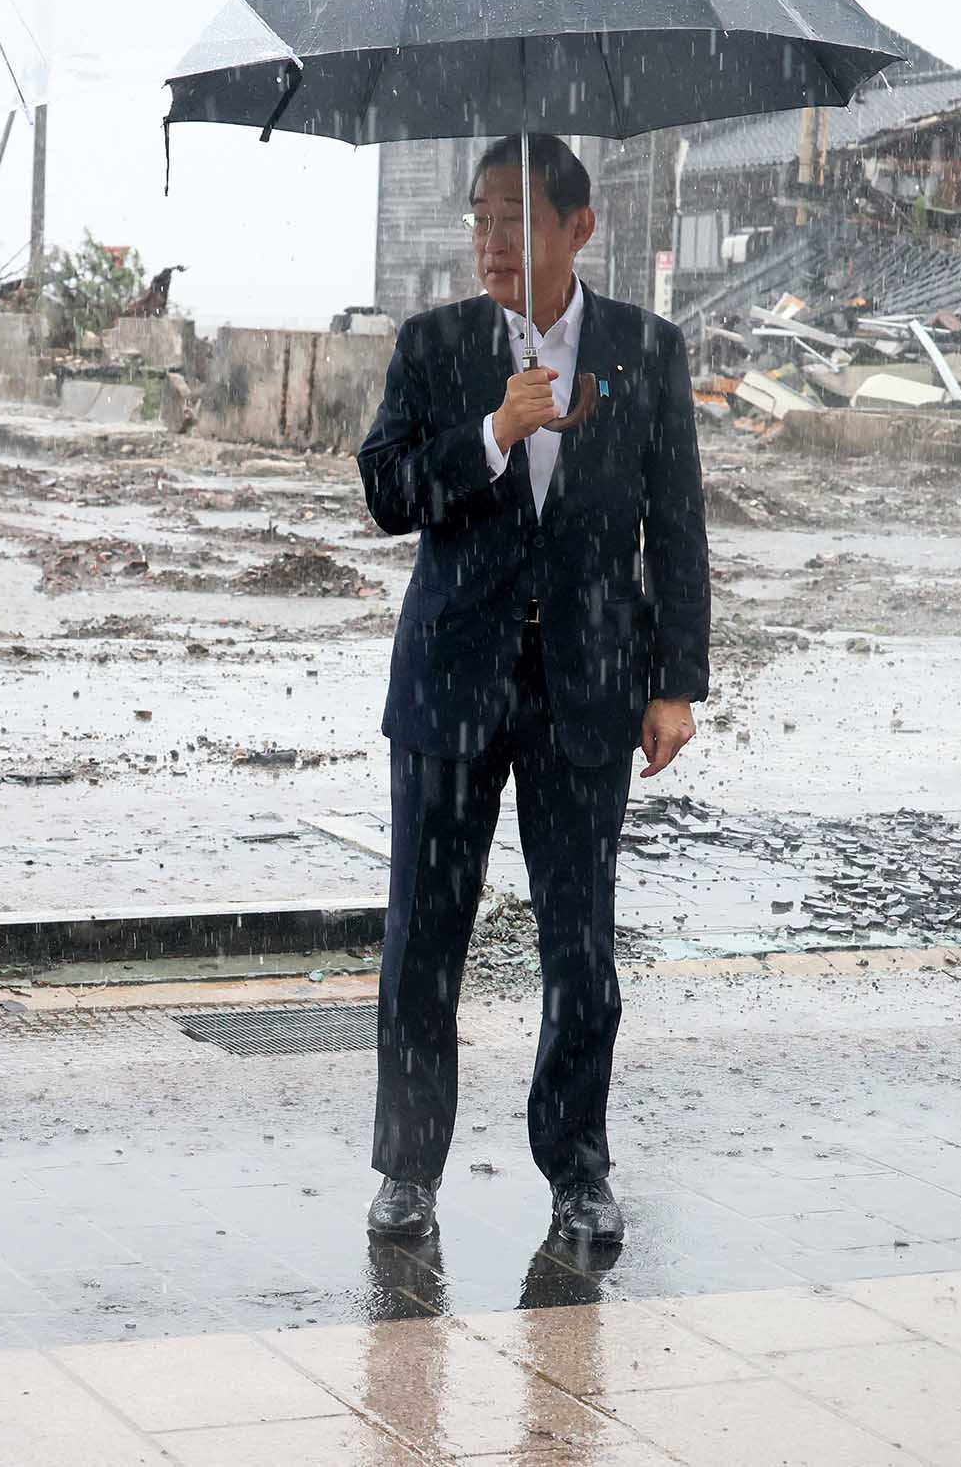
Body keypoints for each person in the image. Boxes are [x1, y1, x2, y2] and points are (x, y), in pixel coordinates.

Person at [355, 134, 710, 1248]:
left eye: (515, 216)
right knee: (425, 938)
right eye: (479, 217)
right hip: (451, 683)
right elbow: (383, 490)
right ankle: (408, 1171)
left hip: (588, 689)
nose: (492, 240)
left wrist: (675, 686)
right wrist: (489, 434)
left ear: (578, 229)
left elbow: (677, 527)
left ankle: (576, 1169)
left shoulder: (642, 353)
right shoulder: (435, 345)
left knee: (579, 945)